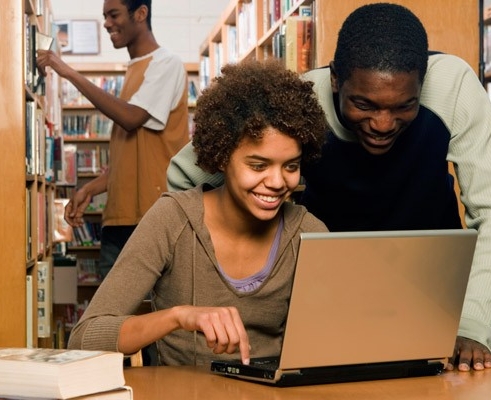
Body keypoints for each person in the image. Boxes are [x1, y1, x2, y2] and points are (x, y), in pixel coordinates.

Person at [166, 3, 491, 372]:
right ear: (336, 78)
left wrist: (474, 325)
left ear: (423, 82)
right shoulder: (300, 101)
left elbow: (490, 210)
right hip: (328, 299)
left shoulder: (455, 88)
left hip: (434, 295)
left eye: (404, 106)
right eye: (363, 104)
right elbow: (185, 175)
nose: (383, 124)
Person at [66, 59, 329, 365]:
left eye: (291, 166)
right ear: (221, 157)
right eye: (258, 165)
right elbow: (84, 337)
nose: (276, 182)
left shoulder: (308, 233)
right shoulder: (172, 219)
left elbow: (334, 339)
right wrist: (179, 316)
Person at [36, 0, 190, 278]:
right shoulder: (134, 70)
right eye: (104, 16)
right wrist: (90, 189)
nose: (106, 22)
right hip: (119, 221)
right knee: (109, 319)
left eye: (114, 14)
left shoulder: (166, 64)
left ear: (140, 13)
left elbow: (131, 118)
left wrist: (69, 72)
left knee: (150, 317)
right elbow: (131, 159)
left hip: (152, 218)